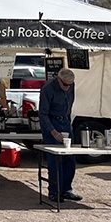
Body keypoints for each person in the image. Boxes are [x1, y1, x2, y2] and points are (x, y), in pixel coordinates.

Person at [38, 68, 80, 201]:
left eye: (70, 85)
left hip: (65, 122)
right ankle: (54, 192)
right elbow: (43, 113)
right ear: (58, 80)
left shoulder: (70, 86)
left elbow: (70, 105)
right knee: (55, 160)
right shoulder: (48, 88)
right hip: (52, 123)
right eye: (65, 85)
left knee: (70, 159)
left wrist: (69, 123)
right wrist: (53, 131)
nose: (68, 87)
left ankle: (66, 189)